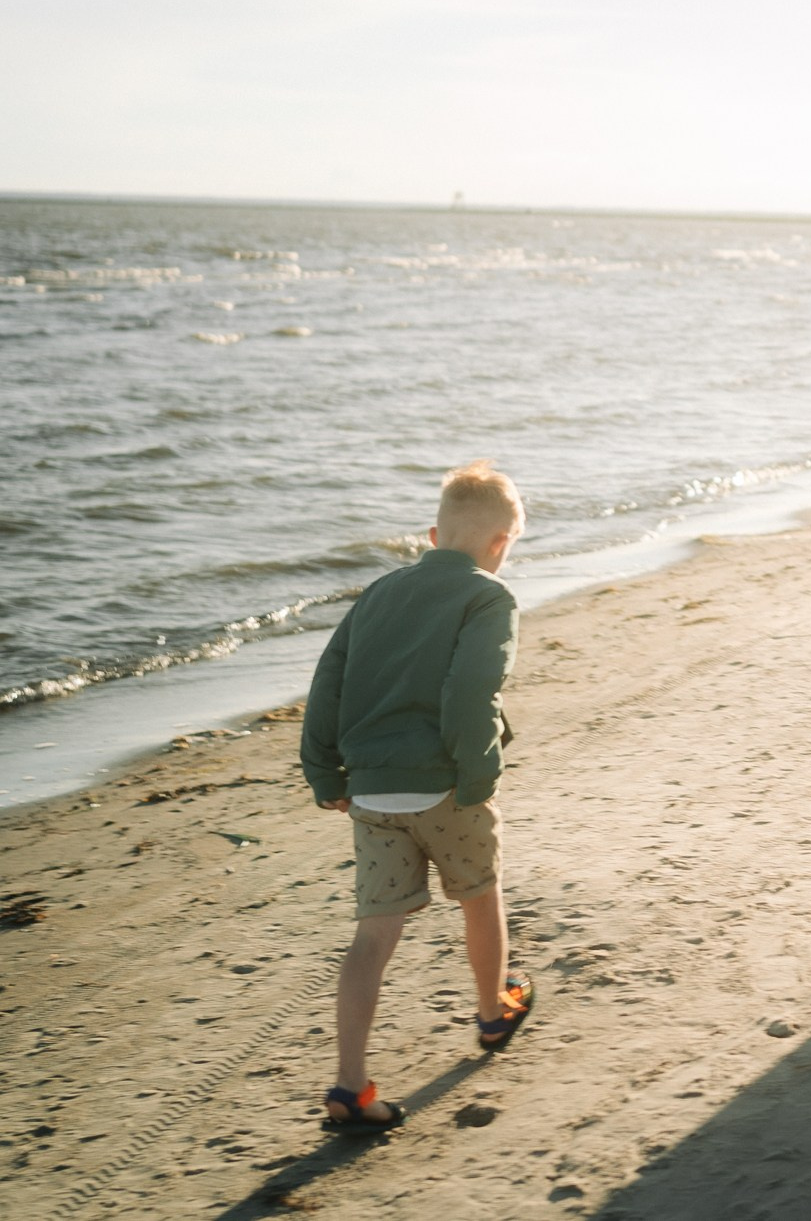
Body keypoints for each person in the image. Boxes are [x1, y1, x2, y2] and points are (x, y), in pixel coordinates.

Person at [299, 461, 539, 1134]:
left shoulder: (377, 592)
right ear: (500, 543)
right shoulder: (489, 597)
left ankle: (350, 1085)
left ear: (435, 533)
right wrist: (479, 775)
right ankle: (493, 1011)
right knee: (481, 892)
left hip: (372, 791)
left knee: (373, 934)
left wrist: (326, 773)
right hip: (445, 784)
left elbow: (328, 681)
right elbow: (471, 691)